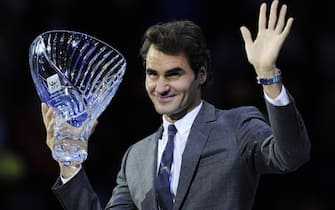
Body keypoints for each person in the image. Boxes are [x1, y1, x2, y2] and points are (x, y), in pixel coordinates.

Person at [41, 0, 310, 209]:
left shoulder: (237, 127)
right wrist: (70, 161)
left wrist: (268, 75)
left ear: (201, 74)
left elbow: (291, 155)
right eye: (152, 74)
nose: (161, 87)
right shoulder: (136, 157)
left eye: (174, 74)